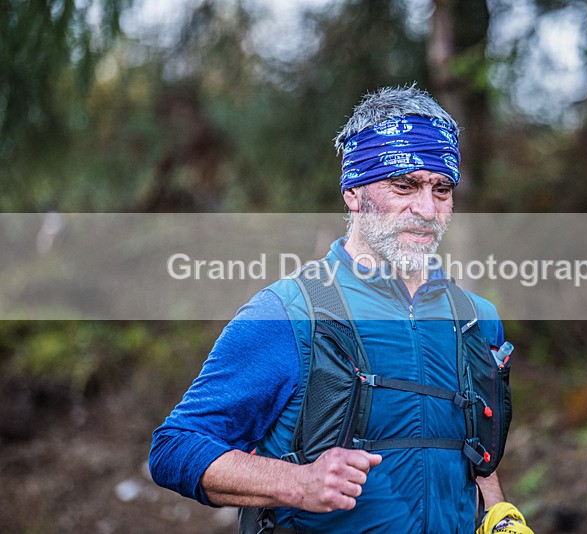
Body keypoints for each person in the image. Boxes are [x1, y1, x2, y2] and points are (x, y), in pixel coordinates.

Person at [149, 85, 533, 533]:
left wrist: (498, 514)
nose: (427, 208)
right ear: (354, 192)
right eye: (404, 185)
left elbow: (474, 449)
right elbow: (174, 448)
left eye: (442, 189)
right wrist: (297, 483)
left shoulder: (474, 320)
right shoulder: (290, 314)